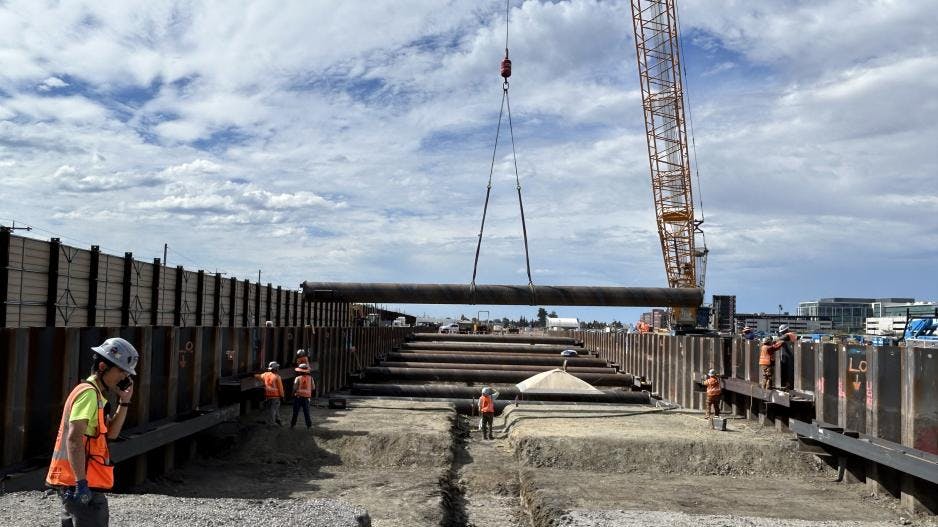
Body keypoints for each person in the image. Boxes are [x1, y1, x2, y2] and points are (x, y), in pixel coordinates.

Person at [46, 337, 139, 527]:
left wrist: (124, 401)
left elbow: (111, 434)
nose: (124, 377)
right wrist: (81, 483)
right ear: (103, 366)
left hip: (77, 483)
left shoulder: (96, 397)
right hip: (79, 484)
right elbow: (73, 438)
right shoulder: (88, 394)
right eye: (121, 370)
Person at [255, 362, 284, 426]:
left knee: (273, 409)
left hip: (268, 396)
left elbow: (258, 376)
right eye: (277, 368)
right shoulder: (277, 377)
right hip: (275, 396)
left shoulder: (265, 374)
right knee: (273, 409)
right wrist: (282, 396)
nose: (278, 368)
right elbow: (280, 388)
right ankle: (272, 423)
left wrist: (253, 375)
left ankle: (278, 420)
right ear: (275, 369)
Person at [291, 363, 314, 430]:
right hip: (306, 398)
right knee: (306, 412)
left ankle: (293, 424)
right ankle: (309, 426)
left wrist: (292, 394)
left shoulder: (297, 378)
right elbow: (313, 388)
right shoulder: (311, 378)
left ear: (300, 371)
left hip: (298, 397)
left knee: (295, 412)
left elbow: (294, 388)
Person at [777, 324, 798, 390]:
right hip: (791, 353)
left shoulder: (787, 335)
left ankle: (788, 385)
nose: (782, 333)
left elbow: (779, 339)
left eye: (782, 332)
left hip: (788, 355)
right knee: (790, 371)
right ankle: (789, 384)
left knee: (787, 371)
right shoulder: (792, 334)